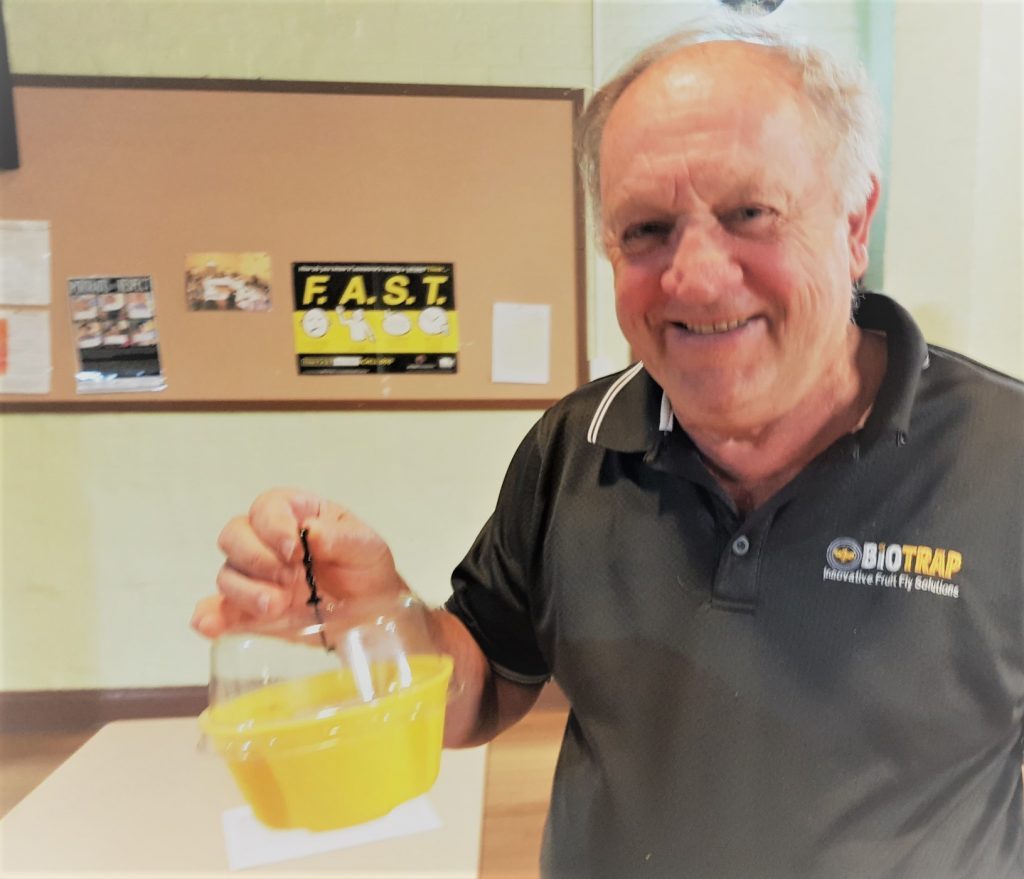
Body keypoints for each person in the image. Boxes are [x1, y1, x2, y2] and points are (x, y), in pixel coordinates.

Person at [191, 13, 1023, 879]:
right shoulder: (573, 449)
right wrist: (382, 616)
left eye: (750, 212)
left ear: (856, 223)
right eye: (647, 230)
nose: (695, 277)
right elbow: (480, 689)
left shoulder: (1005, 461)